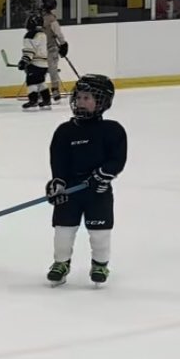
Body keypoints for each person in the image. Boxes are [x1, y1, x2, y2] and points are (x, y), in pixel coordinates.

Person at [45, 74, 127, 286]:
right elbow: (58, 161)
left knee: (100, 232)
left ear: (102, 102)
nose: (81, 102)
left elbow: (117, 159)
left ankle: (100, 264)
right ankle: (61, 263)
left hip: (98, 191)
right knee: (63, 231)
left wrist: (102, 174)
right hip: (70, 191)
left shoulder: (112, 130)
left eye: (87, 98)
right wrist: (58, 183)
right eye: (79, 97)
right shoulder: (64, 132)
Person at [39, 0, 69, 101]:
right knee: (39, 70)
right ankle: (39, 90)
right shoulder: (37, 17)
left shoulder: (51, 19)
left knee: (52, 69)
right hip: (39, 49)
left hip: (51, 48)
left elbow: (58, 33)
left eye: (41, 3)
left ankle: (55, 89)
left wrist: (63, 44)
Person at [18, 14, 51, 110]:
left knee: (31, 81)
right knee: (40, 81)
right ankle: (46, 99)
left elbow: (30, 50)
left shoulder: (30, 35)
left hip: (35, 63)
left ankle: (33, 100)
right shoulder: (43, 34)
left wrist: (24, 61)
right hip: (44, 64)